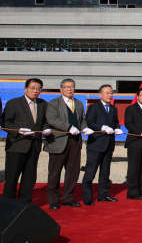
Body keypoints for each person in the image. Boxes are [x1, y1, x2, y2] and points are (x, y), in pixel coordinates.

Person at [44, 79, 93, 210]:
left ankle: (68, 198)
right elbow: (52, 119)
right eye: (66, 87)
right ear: (61, 89)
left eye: (71, 87)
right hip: (58, 141)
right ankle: (53, 200)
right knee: (54, 173)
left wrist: (85, 128)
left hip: (75, 141)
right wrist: (68, 127)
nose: (69, 89)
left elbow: (82, 119)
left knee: (73, 172)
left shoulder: (78, 103)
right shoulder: (54, 103)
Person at [2, 79, 51, 202]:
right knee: (12, 175)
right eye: (32, 88)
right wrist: (19, 130)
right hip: (17, 144)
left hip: (34, 145)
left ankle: (25, 201)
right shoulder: (14, 103)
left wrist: (46, 129)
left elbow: (45, 122)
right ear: (25, 89)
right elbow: (6, 122)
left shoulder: (43, 104)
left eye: (38, 88)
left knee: (29, 176)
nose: (35, 91)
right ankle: (8, 201)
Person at [81, 85, 123, 206]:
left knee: (105, 172)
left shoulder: (113, 109)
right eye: (107, 93)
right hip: (96, 144)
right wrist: (102, 128)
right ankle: (87, 197)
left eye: (111, 93)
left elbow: (115, 122)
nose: (110, 95)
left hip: (109, 145)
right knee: (90, 172)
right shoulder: (94, 107)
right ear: (100, 95)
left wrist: (117, 128)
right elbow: (90, 122)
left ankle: (104, 194)